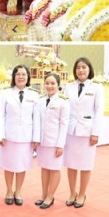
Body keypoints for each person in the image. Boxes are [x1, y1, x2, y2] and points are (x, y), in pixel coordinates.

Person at [63, 56, 104, 209]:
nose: (81, 70)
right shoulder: (69, 86)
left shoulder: (97, 87)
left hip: (88, 132)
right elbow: (65, 108)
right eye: (78, 67)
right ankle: (72, 193)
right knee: (71, 164)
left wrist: (96, 132)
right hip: (71, 131)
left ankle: (82, 194)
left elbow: (99, 110)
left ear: (89, 69)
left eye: (84, 67)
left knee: (86, 165)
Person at [0, 64, 39, 206]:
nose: (21, 76)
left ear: (28, 77)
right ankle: (9, 191)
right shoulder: (5, 93)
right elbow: (0, 116)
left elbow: (36, 118)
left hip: (26, 136)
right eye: (18, 74)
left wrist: (36, 138)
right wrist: (0, 134)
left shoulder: (34, 95)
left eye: (24, 74)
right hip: (9, 136)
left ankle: (18, 191)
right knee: (9, 165)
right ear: (14, 77)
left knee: (22, 165)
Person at [32, 73, 69, 209]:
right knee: (45, 169)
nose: (49, 86)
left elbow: (64, 124)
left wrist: (60, 144)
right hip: (43, 142)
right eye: (47, 83)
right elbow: (37, 122)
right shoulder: (40, 100)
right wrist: (36, 140)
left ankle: (50, 196)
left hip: (54, 142)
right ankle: (44, 194)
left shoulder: (63, 102)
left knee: (54, 169)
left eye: (52, 83)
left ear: (58, 85)